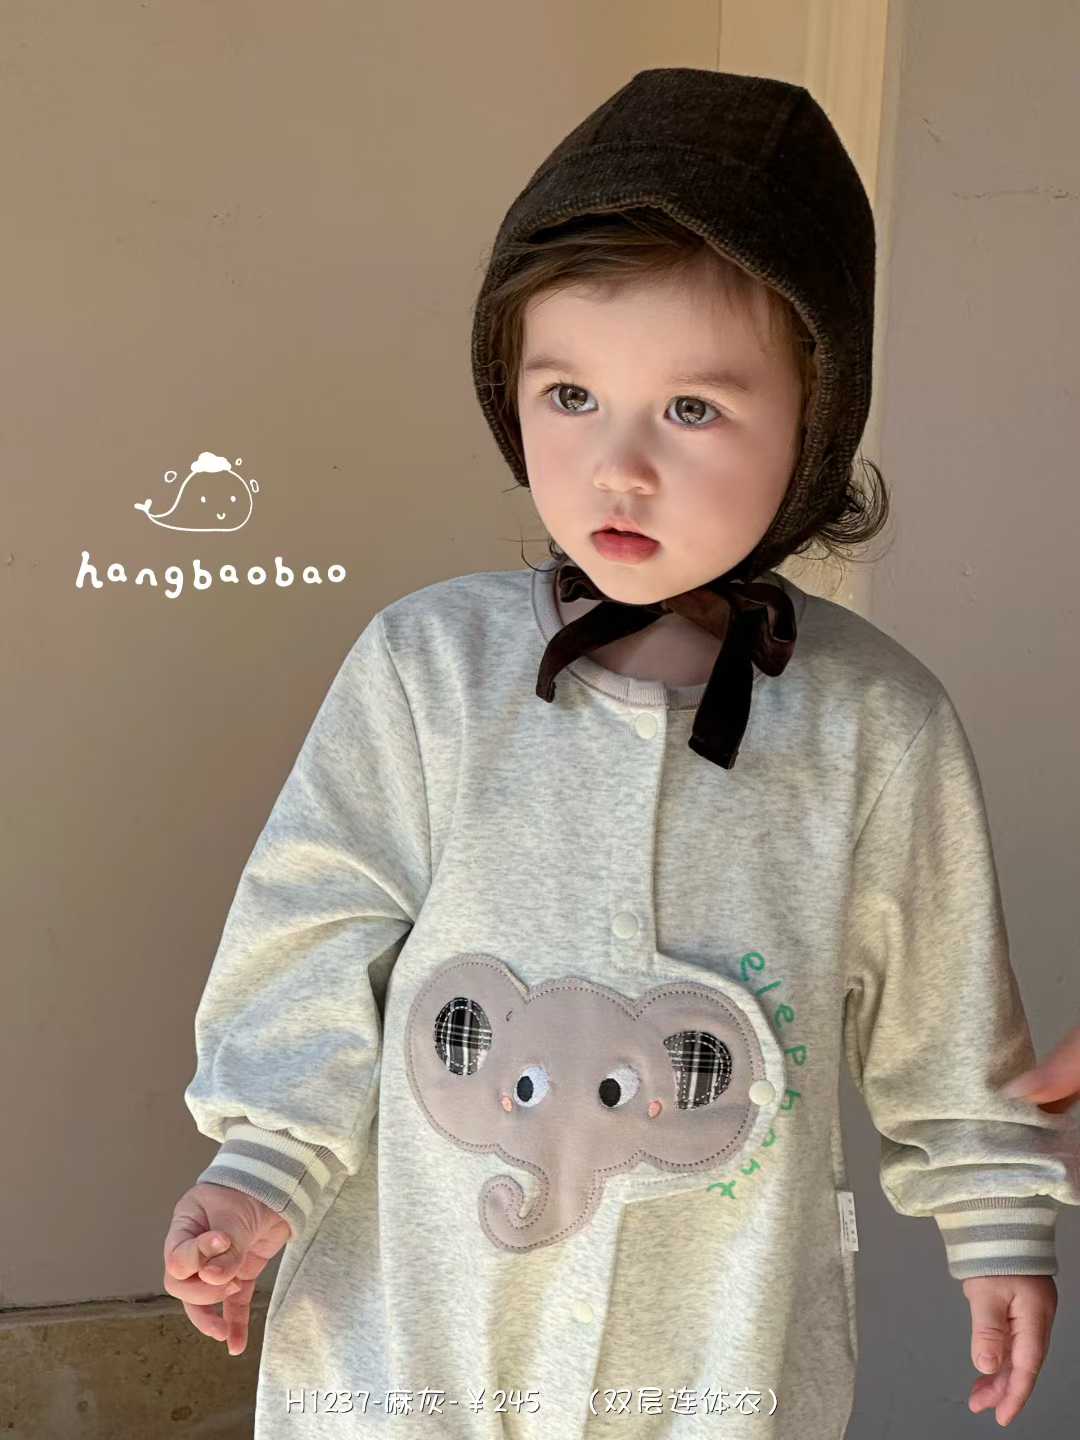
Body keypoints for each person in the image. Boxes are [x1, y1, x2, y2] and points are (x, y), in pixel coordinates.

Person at [163, 70, 1080, 1438]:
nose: (619, 466)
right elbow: (314, 931)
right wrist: (261, 1164)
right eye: (571, 394)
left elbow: (943, 1011)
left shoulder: (875, 724)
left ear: (817, 420)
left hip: (708, 1350)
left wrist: (996, 1217)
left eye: (692, 409)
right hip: (414, 1331)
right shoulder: (428, 670)